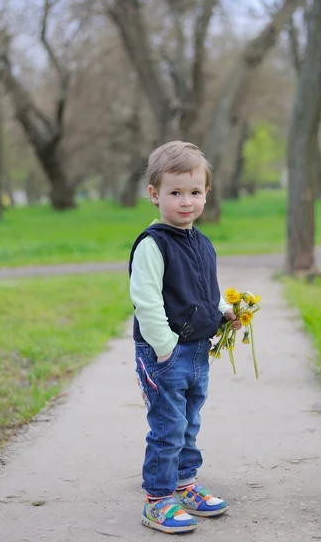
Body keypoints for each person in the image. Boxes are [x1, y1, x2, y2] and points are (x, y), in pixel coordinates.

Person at [129, 141, 241, 534]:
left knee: (189, 420)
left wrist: (225, 311)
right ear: (155, 194)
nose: (186, 202)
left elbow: (206, 287)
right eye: (175, 193)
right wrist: (164, 348)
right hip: (166, 352)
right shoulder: (153, 244)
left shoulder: (202, 241)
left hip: (197, 350)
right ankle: (158, 499)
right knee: (167, 425)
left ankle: (184, 483)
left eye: (195, 192)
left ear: (206, 193)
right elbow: (145, 299)